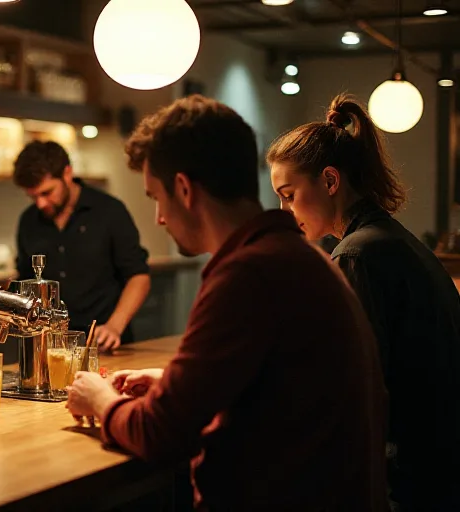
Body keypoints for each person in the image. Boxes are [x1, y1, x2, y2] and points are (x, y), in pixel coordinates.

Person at [64, 95, 388, 510]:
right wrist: (170, 385)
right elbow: (271, 392)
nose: (160, 217)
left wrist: (99, 399)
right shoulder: (295, 255)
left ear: (184, 189)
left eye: (155, 198)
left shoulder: (248, 274)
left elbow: (160, 434)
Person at [267, 93, 460, 511]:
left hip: (410, 480)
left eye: (288, 194)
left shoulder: (358, 254)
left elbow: (353, 387)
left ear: (331, 181)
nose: (284, 211)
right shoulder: (390, 239)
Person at [12, 141, 150, 349]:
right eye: (33, 197)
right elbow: (24, 281)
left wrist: (114, 326)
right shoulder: (28, 221)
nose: (40, 204)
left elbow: (138, 276)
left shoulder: (109, 211)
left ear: (67, 173)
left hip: (104, 342)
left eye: (46, 193)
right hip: (51, 348)